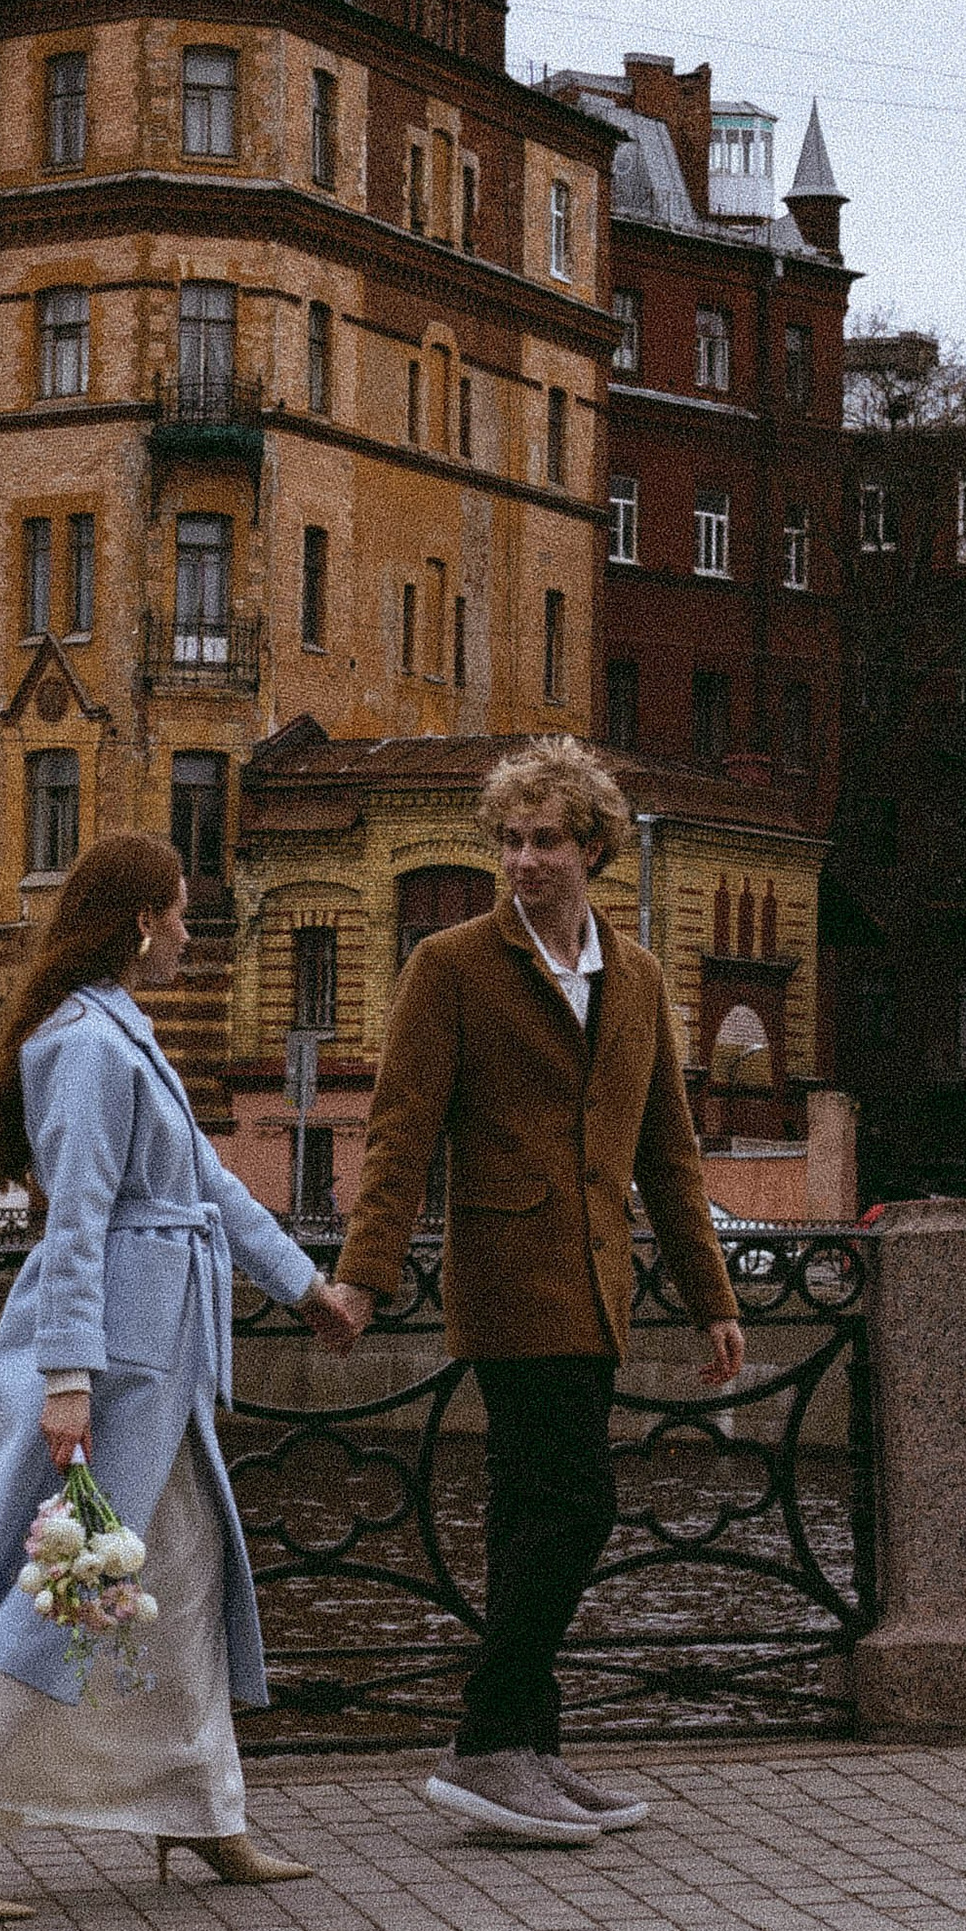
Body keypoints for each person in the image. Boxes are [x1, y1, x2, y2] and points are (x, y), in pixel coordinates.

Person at [0, 836, 362, 1920]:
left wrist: (305, 1287)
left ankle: (203, 1811)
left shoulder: (118, 1036)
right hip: (125, 1361)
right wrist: (68, 1379)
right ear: (141, 920)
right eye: (183, 912)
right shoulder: (91, 1047)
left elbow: (211, 1188)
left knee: (179, 1583)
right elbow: (82, 1220)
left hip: (160, 1356)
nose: (192, 930)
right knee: (77, 1585)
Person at [331, 739, 742, 1847]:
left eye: (546, 841)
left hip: (600, 1282)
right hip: (511, 1281)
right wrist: (363, 1279)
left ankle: (530, 1747)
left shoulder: (640, 977)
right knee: (570, 1505)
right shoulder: (452, 967)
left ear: (594, 848)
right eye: (509, 841)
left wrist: (712, 1296)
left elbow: (670, 1154)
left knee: (535, 1515)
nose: (523, 861)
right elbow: (400, 1137)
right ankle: (482, 1745)